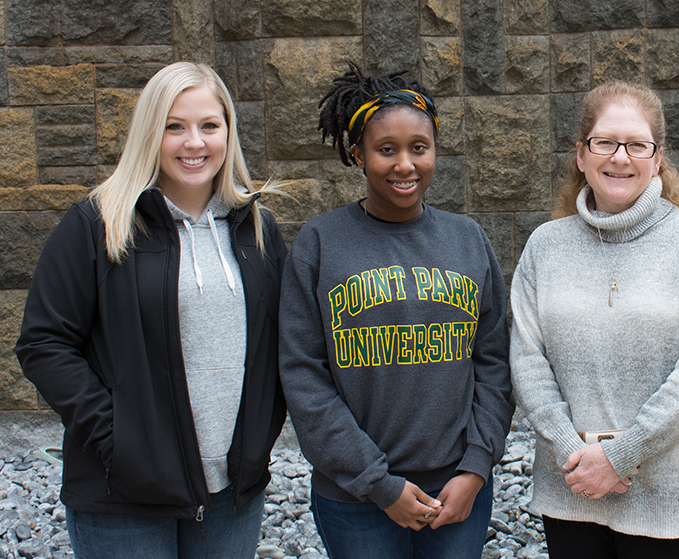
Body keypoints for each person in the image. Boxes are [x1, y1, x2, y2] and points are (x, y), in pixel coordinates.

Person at [15, 62, 287, 558]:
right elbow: (43, 343)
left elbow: (283, 345)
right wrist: (120, 443)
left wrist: (261, 437)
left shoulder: (258, 230)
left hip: (231, 496)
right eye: (174, 126)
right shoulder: (99, 224)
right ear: (149, 133)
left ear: (229, 131)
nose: (195, 143)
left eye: (209, 125)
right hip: (124, 500)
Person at [278, 61, 514, 559]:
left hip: (456, 492)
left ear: (434, 151)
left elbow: (494, 362)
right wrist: (379, 484)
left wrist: (475, 468)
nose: (405, 164)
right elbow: (303, 375)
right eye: (387, 149)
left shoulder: (467, 239)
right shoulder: (320, 243)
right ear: (358, 154)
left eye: (418, 148)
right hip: (355, 498)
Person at [509, 81, 679, 558]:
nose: (620, 157)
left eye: (637, 145)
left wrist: (620, 455)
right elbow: (527, 360)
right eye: (605, 143)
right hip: (570, 486)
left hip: (669, 495)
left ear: (657, 158)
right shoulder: (545, 246)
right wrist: (570, 449)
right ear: (581, 154)